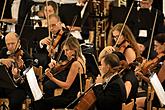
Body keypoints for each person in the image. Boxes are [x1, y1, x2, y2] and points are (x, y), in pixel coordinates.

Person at [32, 36, 86, 109]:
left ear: (74, 49)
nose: (65, 53)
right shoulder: (81, 59)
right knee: (42, 103)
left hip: (71, 99)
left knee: (39, 104)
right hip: (69, 96)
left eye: (67, 50)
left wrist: (51, 78)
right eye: (64, 51)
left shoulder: (76, 64)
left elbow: (66, 86)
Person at [0, 32, 33, 110]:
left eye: (13, 43)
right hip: (3, 85)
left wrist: (16, 76)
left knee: (15, 100)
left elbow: (24, 82)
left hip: (18, 88)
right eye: (8, 44)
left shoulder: (26, 57)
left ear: (19, 42)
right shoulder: (4, 51)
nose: (10, 47)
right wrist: (1, 60)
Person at [136, 33, 165, 110]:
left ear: (164, 44)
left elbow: (157, 85)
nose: (154, 49)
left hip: (160, 98)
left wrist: (142, 76)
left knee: (136, 103)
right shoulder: (161, 60)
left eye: (156, 46)